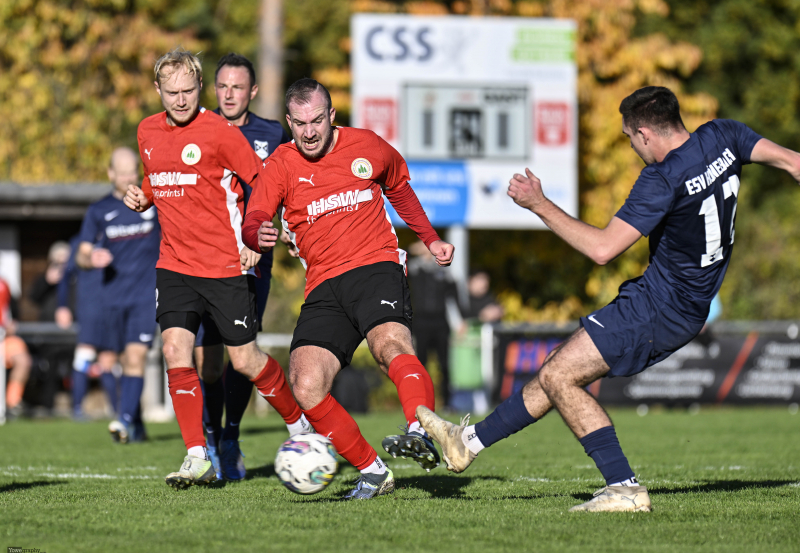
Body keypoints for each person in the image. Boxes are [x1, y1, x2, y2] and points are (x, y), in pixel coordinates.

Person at [417, 85, 800, 512]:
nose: (633, 148)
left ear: (645, 134)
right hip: (680, 300)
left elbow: (602, 250)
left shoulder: (662, 178)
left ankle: (624, 488)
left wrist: (539, 204)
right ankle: (465, 443)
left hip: (661, 305)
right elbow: (792, 161)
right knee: (555, 367)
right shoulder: (723, 136)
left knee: (561, 376)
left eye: (629, 139)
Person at [242, 78, 455, 500]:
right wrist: (256, 234)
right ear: (289, 122)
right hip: (323, 283)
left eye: (317, 120)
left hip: (375, 267)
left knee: (389, 347)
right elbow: (256, 215)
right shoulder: (281, 164)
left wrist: (430, 238)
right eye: (300, 123)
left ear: (332, 115)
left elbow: (399, 189)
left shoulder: (367, 145)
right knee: (305, 382)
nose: (309, 131)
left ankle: (420, 429)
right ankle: (373, 472)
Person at [123, 47, 309, 489]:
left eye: (188, 91)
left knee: (244, 360)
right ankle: (196, 454)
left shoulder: (221, 132)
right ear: (158, 90)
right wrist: (144, 196)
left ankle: (299, 424)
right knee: (174, 352)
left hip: (224, 265)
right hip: (174, 265)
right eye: (171, 92)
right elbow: (158, 173)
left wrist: (256, 239)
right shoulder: (146, 130)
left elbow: (261, 182)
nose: (180, 100)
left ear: (199, 87)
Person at [194, 53, 295, 481]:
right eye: (222, 86)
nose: (229, 94)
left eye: (238, 87)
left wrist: (269, 233)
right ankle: (211, 436)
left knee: (243, 357)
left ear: (252, 92)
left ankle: (230, 435)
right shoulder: (198, 129)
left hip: (253, 263)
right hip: (204, 261)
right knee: (208, 363)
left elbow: (284, 189)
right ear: (213, 89)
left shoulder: (272, 134)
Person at [76, 147, 161, 441]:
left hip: (145, 296)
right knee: (119, 361)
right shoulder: (98, 211)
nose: (127, 177)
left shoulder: (152, 203)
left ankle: (123, 420)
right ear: (111, 173)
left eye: (131, 171)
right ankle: (135, 422)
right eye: (121, 172)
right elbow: (82, 254)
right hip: (112, 298)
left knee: (135, 356)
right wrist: (91, 259)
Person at [57, 236, 120, 421]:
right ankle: (77, 409)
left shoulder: (115, 238)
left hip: (111, 308)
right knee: (84, 356)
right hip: (89, 308)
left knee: (108, 361)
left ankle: (118, 412)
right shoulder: (79, 243)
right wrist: (62, 306)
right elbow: (65, 276)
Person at [407, 241, 459, 408]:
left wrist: (459, 321)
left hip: (440, 322)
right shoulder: (414, 269)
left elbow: (454, 297)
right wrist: (413, 249)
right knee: (421, 363)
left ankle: (448, 402)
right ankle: (420, 402)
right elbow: (401, 261)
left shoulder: (443, 270)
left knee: (445, 364)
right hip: (421, 322)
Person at [1, 277, 31, 419]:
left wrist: (13, 324)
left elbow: (14, 312)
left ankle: (12, 403)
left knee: (23, 360)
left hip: (4, 337)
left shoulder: (4, 284)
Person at [29, 241, 71, 321]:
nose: (60, 266)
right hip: (47, 324)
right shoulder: (43, 278)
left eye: (64, 262)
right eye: (57, 262)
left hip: (70, 323)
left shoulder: (74, 278)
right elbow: (33, 298)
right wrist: (47, 281)